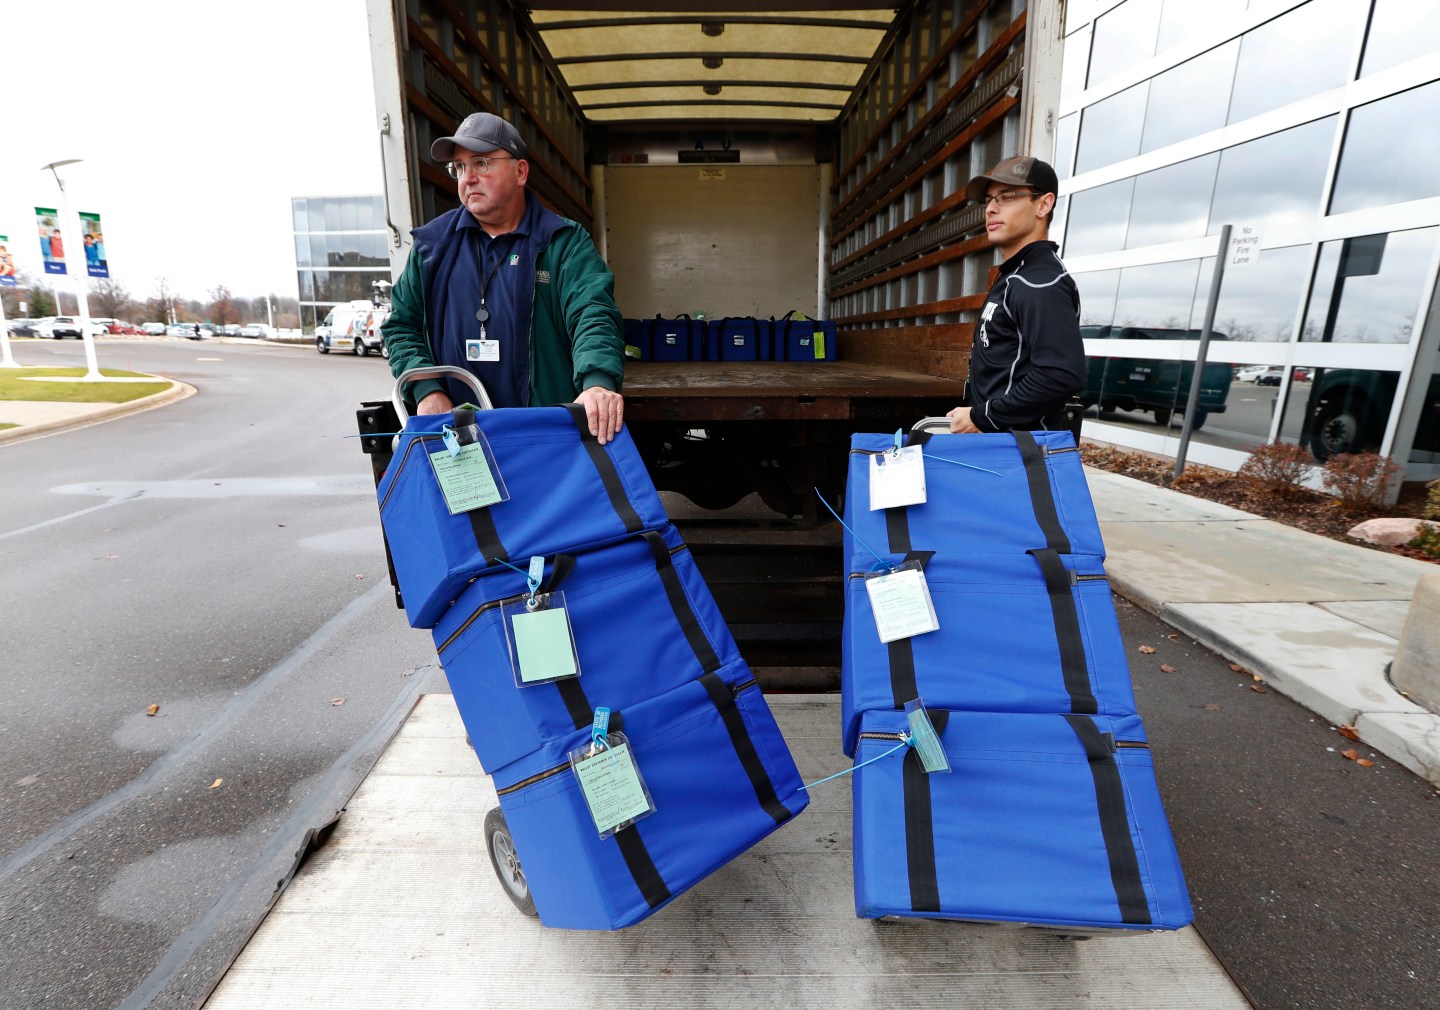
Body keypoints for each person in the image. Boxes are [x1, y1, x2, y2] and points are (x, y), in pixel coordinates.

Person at [382, 111, 626, 444]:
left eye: (481, 163)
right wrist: (426, 390)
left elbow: (592, 314)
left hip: (544, 436)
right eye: (460, 167)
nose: (468, 178)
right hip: (458, 438)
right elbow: (401, 326)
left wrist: (597, 383)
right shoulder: (432, 247)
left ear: (520, 171)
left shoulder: (562, 243)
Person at [946, 155, 1085, 435]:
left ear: (1044, 204)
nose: (991, 209)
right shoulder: (1016, 275)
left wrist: (982, 417)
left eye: (1007, 197)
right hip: (1000, 448)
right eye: (989, 200)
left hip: (1020, 457)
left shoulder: (1039, 282)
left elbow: (1059, 374)